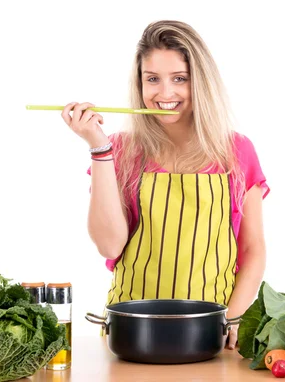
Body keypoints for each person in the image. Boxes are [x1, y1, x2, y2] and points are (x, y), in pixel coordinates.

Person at [61, 20, 269, 349]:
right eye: (152, 79)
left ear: (200, 82)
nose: (165, 93)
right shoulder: (122, 150)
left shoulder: (236, 151)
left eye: (180, 79)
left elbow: (252, 249)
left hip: (210, 336)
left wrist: (234, 318)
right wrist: (99, 149)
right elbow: (109, 246)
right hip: (132, 335)